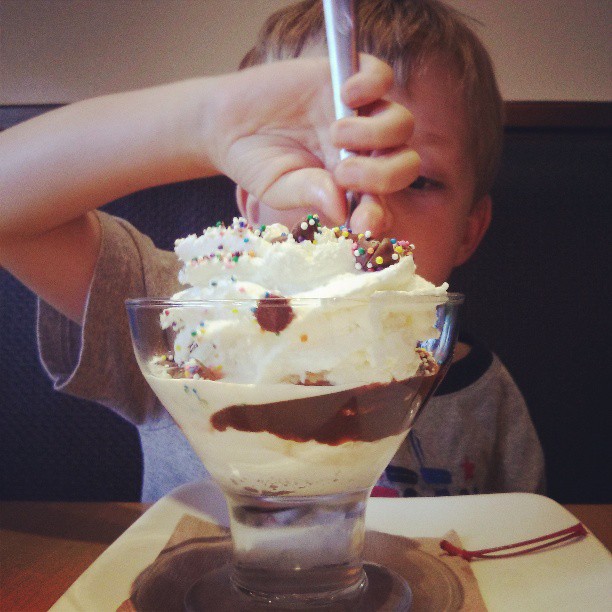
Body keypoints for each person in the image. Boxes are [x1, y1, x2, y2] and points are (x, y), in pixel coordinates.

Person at [0, 0, 544, 501]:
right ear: (253, 204)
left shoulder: (486, 400)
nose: (365, 214)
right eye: (314, 160)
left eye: (419, 181)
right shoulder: (183, 319)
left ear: (470, 231)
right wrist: (207, 122)